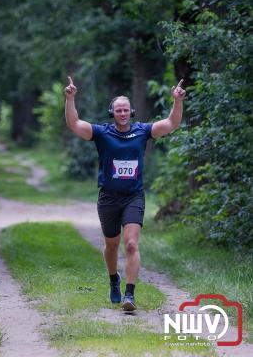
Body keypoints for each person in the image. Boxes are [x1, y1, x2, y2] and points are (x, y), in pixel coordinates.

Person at [65, 76, 186, 311]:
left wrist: (177, 101)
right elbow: (74, 123)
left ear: (131, 112)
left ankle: (129, 295)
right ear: (113, 112)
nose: (122, 113)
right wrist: (70, 98)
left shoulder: (143, 131)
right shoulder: (102, 133)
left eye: (126, 110)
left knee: (131, 244)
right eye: (118, 110)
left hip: (133, 196)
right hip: (108, 197)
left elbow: (171, 123)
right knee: (112, 245)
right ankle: (114, 280)